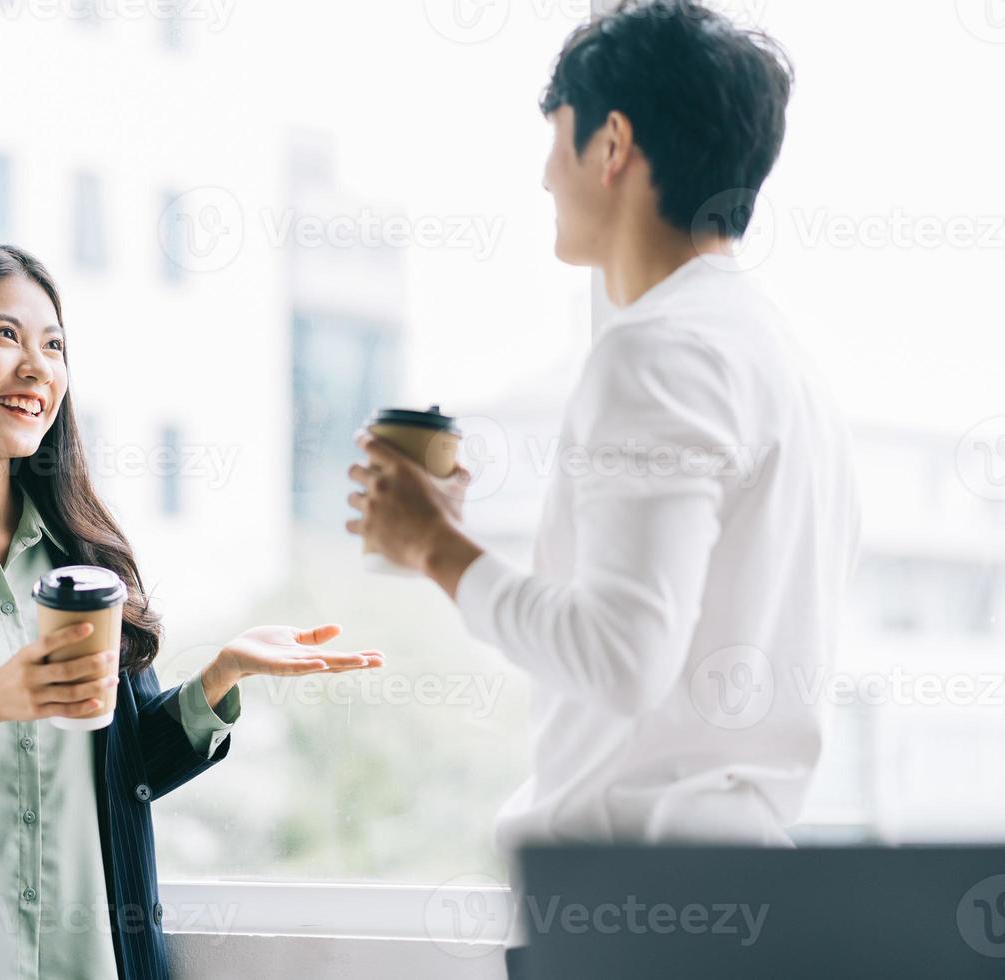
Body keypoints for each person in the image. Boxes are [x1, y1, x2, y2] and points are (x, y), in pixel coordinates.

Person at [345, 2, 859, 974]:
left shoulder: (656, 349)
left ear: (611, 143)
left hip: (636, 915)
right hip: (734, 902)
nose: (545, 174)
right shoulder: (786, 366)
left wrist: (435, 548)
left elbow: (624, 653)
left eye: (557, 141)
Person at [0, 239, 383, 980]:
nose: (38, 367)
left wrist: (217, 680)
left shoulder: (84, 558)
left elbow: (122, 774)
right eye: (5, 335)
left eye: (54, 345)